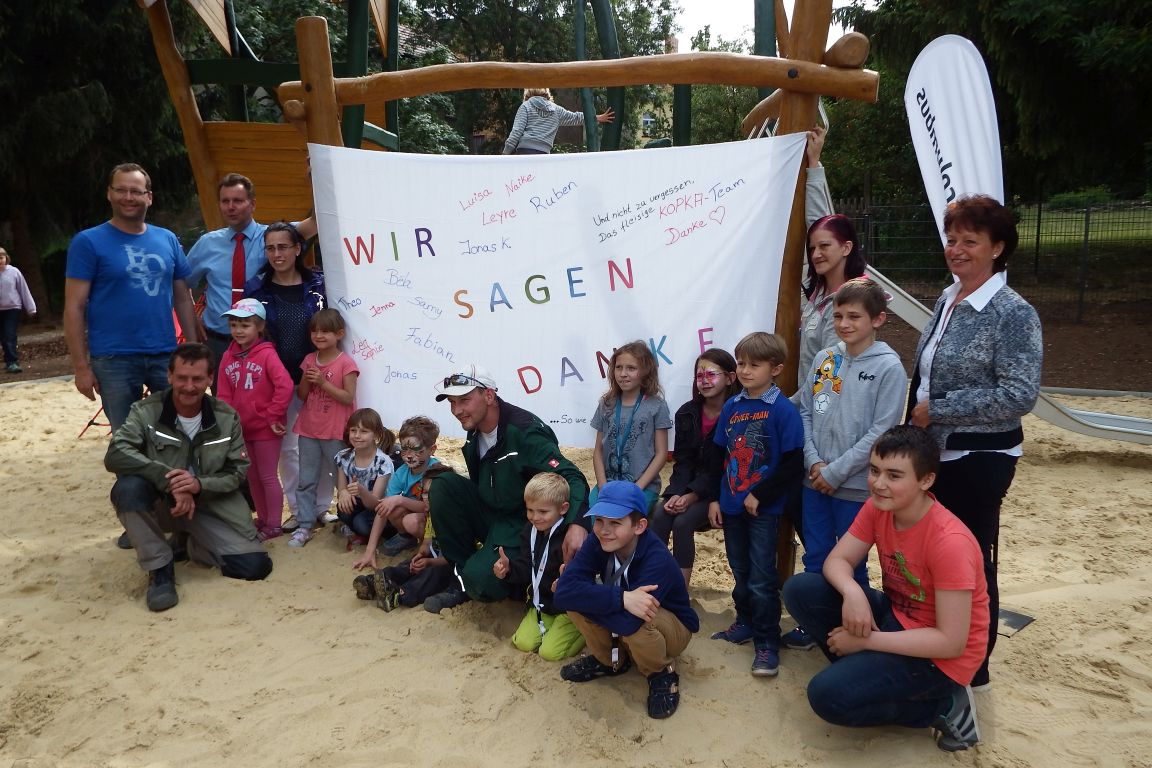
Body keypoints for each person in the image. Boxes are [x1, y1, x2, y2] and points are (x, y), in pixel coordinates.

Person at [782, 426, 989, 752]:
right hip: (898, 617)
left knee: (826, 697)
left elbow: (951, 642)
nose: (878, 483)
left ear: (926, 480)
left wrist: (866, 640)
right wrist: (852, 593)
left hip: (939, 660)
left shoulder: (950, 542)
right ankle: (865, 670)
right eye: (874, 470)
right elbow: (837, 561)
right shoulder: (879, 507)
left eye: (894, 475)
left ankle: (945, 707)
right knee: (800, 589)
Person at [907, 194, 1043, 690]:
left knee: (968, 559)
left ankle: (973, 665)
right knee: (936, 555)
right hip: (936, 450)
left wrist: (939, 409)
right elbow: (927, 372)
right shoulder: (948, 297)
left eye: (970, 240)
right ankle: (938, 642)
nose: (957, 249)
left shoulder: (1012, 313)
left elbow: (1019, 394)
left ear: (997, 247)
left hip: (979, 455)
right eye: (951, 239)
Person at [64, 163, 199, 550]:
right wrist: (81, 367)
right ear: (109, 193)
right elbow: (74, 307)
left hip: (165, 354)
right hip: (114, 358)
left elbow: (182, 297)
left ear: (148, 197)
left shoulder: (166, 239)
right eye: (121, 189)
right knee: (128, 442)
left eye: (136, 191)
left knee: (176, 435)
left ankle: (178, 515)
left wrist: (193, 350)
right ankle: (137, 517)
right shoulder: (89, 242)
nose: (129, 197)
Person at [105, 343, 273, 611]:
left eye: (197, 379)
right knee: (128, 489)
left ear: (210, 379)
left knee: (254, 567)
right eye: (182, 378)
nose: (189, 386)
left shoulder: (226, 417)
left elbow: (238, 471)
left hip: (209, 504)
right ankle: (160, 569)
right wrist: (168, 480)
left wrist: (197, 485)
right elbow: (116, 454)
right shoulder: (145, 411)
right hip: (163, 503)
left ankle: (188, 543)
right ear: (169, 376)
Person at [790, 278, 906, 648]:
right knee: (816, 556)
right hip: (815, 481)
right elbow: (806, 411)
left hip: (856, 489)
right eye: (839, 315)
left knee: (852, 565)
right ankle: (815, 625)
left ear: (878, 319)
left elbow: (882, 431)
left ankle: (858, 630)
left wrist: (838, 471)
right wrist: (814, 463)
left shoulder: (889, 368)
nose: (844, 323)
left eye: (854, 316)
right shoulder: (826, 358)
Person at [428, 364, 589, 608]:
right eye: (452, 402)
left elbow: (572, 476)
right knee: (442, 485)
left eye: (464, 400)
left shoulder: (525, 432)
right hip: (492, 513)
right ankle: (461, 575)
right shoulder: (475, 428)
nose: (457, 410)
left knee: (481, 581)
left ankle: (510, 578)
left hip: (523, 524)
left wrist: (578, 523)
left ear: (488, 395)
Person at [553, 481, 699, 719]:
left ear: (639, 526)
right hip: (626, 610)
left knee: (641, 617)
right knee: (576, 602)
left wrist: (586, 596)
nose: (604, 530)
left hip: (671, 627)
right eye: (599, 520)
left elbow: (629, 623)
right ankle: (611, 660)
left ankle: (660, 671)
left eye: (615, 523)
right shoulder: (598, 540)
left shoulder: (657, 558)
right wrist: (621, 598)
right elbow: (562, 594)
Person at [707, 332, 804, 678]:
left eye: (754, 365)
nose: (745, 371)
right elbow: (718, 454)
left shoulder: (782, 409)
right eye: (742, 364)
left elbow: (793, 462)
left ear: (775, 369)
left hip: (763, 510)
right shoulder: (732, 406)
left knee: (762, 577)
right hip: (731, 505)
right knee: (740, 569)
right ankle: (745, 622)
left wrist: (760, 494)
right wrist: (716, 498)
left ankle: (766, 642)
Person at [185, 174, 316, 385]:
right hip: (218, 342)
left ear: (253, 204)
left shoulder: (273, 238)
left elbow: (317, 222)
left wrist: (316, 177)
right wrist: (192, 317)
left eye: (237, 200)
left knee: (261, 401)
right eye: (225, 201)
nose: (230, 207)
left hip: (261, 344)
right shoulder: (207, 244)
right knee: (223, 404)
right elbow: (181, 284)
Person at [243, 221, 328, 532]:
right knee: (289, 448)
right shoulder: (256, 288)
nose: (277, 254)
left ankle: (321, 508)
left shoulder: (320, 284)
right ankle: (297, 509)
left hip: (316, 376)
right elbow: (248, 334)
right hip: (275, 380)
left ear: (297, 249)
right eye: (270, 248)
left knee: (320, 443)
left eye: (283, 247)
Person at [651, 348, 739, 586]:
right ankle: (654, 580)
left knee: (683, 522)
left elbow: (723, 466)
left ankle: (679, 590)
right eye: (700, 376)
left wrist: (692, 495)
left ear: (730, 378)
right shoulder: (687, 412)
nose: (704, 381)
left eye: (711, 374)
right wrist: (675, 493)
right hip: (689, 487)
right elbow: (684, 461)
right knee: (660, 514)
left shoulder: (737, 413)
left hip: (721, 490)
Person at [215, 298, 294, 541]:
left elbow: (285, 385)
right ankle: (262, 519)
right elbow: (223, 394)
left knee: (267, 476)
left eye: (245, 325)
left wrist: (272, 414)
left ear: (259, 327)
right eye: (234, 325)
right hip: (241, 429)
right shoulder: (227, 356)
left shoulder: (267, 354)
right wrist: (229, 423)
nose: (238, 330)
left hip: (267, 428)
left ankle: (274, 524)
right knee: (252, 476)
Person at [492, 472, 586, 660]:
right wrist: (509, 569)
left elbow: (585, 576)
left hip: (569, 609)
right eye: (530, 510)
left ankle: (583, 631)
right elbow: (528, 566)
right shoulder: (530, 531)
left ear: (563, 508)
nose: (535, 517)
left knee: (549, 653)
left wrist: (566, 583)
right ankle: (550, 628)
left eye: (543, 512)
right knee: (522, 643)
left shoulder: (570, 538)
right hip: (541, 604)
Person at [289, 308, 359, 548]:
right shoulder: (309, 360)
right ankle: (305, 525)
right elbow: (302, 395)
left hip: (335, 431)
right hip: (308, 428)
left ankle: (348, 521)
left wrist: (322, 382)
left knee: (342, 479)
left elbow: (348, 398)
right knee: (306, 479)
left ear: (339, 334)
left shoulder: (346, 363)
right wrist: (308, 380)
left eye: (325, 331)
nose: (318, 336)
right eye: (314, 331)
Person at [353, 463, 458, 612]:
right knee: (409, 565)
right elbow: (427, 542)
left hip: (450, 564)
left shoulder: (455, 519)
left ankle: (399, 595)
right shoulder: (433, 514)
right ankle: (377, 581)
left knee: (431, 575)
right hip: (435, 556)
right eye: (424, 492)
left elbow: (455, 557)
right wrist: (421, 554)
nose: (426, 497)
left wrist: (430, 562)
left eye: (432, 492)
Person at [590, 340, 671, 510]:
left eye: (631, 368)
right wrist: (602, 486)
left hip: (642, 486)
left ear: (645, 371)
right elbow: (598, 450)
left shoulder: (657, 406)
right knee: (597, 515)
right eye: (618, 367)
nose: (623, 374)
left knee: (624, 517)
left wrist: (638, 487)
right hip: (608, 484)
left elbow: (661, 453)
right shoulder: (606, 403)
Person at [362, 415, 442, 563]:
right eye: (404, 449)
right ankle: (406, 537)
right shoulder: (402, 473)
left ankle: (432, 545)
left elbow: (432, 508)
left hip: (435, 521)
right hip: (416, 514)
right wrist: (370, 550)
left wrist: (400, 500)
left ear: (432, 450)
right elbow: (382, 510)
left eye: (416, 449)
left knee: (410, 519)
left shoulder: (436, 472)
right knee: (391, 506)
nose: (409, 455)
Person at [334, 408, 395, 544]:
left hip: (379, 507)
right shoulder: (344, 457)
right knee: (343, 509)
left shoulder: (382, 462)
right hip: (359, 502)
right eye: (353, 430)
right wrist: (343, 492)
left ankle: (375, 532)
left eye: (364, 431)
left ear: (376, 435)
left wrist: (361, 491)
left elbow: (375, 503)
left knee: (361, 524)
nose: (357, 435)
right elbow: (342, 488)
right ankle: (357, 530)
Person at [502, 88, 614, 155]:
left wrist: (505, 153)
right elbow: (575, 117)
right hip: (544, 154)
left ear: (527, 92)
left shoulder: (526, 106)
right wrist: (597, 117)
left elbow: (516, 132)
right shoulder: (556, 110)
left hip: (525, 151)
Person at [0, 246, 37, 373]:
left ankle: (13, 362)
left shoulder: (14, 272)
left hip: (13, 308)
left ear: (6, 258)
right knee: (3, 337)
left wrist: (31, 308)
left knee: (9, 334)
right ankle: (8, 360)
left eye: (1, 257)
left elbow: (23, 289)